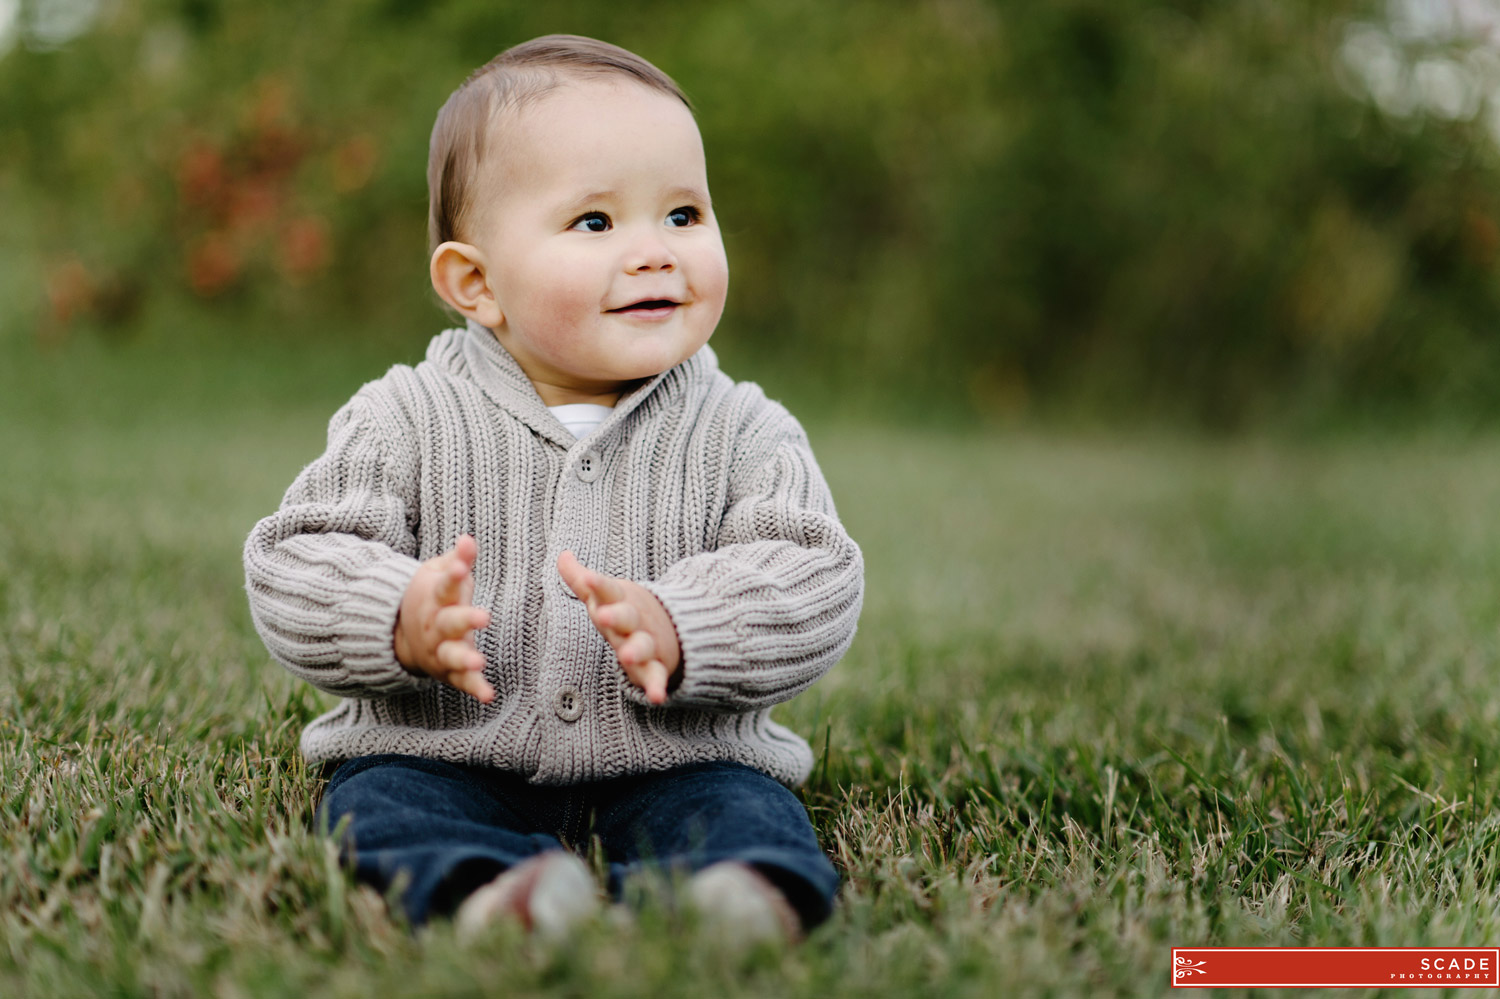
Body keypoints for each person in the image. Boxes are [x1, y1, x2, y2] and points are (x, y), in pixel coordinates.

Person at [243, 33, 863, 946]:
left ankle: (738, 896)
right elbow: (293, 559)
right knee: (384, 802)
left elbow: (814, 574)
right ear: (477, 283)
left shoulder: (746, 428)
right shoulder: (404, 415)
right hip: (447, 742)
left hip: (676, 749)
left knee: (741, 809)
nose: (657, 253)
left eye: (684, 214)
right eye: (597, 223)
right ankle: (496, 895)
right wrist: (395, 613)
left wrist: (689, 624)